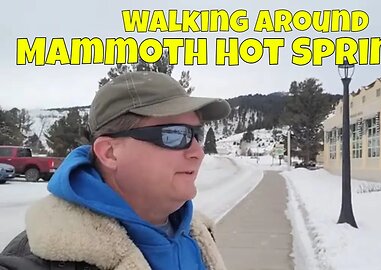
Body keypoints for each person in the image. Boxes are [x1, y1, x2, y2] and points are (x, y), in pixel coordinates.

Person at [0, 71, 231, 270]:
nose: (197, 153)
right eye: (174, 135)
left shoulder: (199, 235)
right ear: (110, 153)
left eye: (196, 135)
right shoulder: (45, 257)